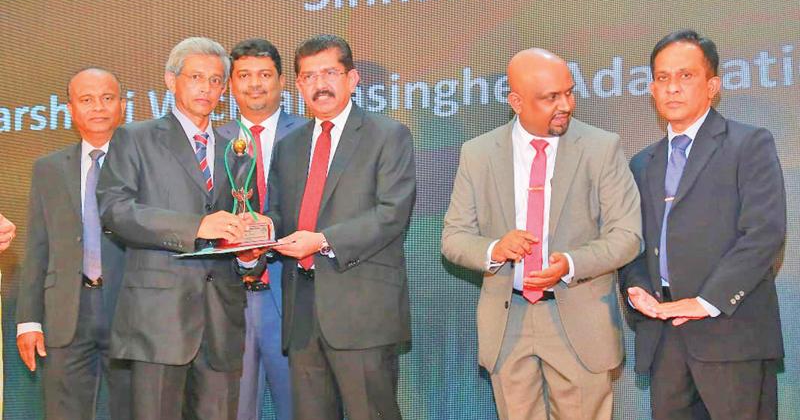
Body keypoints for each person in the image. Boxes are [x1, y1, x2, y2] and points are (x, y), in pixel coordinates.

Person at [441, 48, 642, 420]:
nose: (565, 104)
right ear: (516, 101)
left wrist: (570, 263)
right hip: (507, 317)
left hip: (578, 315)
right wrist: (495, 249)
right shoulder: (478, 154)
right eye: (551, 97)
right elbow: (454, 238)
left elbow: (628, 235)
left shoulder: (601, 148)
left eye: (568, 92)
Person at [96, 37, 267, 420]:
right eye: (195, 77)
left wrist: (249, 254)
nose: (206, 88)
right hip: (159, 321)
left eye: (215, 80)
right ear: (171, 81)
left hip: (222, 319)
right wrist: (197, 226)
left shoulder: (237, 146)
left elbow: (245, 215)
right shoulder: (134, 138)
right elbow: (115, 210)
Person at [620, 30, 786, 420]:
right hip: (665, 341)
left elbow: (764, 233)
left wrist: (705, 301)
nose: (672, 88)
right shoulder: (643, 163)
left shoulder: (749, 144)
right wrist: (636, 290)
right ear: (651, 88)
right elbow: (633, 244)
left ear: (712, 86)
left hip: (732, 336)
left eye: (686, 76)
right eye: (662, 78)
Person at [267, 34, 416, 420]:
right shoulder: (289, 145)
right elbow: (280, 215)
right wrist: (258, 233)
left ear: (352, 79)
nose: (320, 84)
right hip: (302, 315)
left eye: (330, 72)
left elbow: (391, 214)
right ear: (298, 86)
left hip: (362, 315)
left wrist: (322, 241)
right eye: (309, 76)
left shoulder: (387, 135)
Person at [16, 68, 131, 419]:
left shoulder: (143, 161)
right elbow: (37, 246)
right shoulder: (48, 168)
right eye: (86, 100)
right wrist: (28, 321)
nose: (98, 107)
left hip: (130, 311)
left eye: (107, 98)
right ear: (69, 109)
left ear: (123, 106)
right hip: (67, 313)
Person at [218, 38, 306, 420]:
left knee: (301, 407)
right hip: (227, 295)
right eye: (245, 75)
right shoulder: (211, 141)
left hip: (291, 291)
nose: (255, 84)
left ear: (283, 81)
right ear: (230, 85)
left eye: (265, 75)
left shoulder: (311, 135)